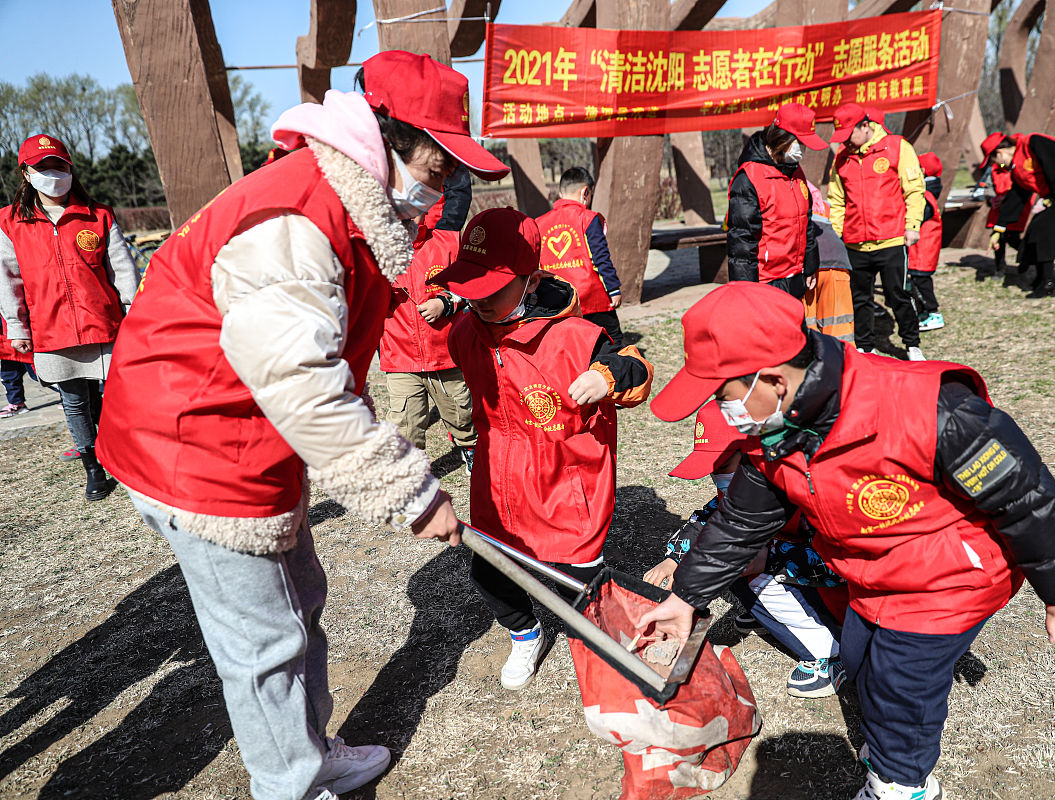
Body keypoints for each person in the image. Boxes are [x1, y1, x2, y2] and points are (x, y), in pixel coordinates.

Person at [95, 51, 506, 800]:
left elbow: (325, 367)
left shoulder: (347, 206)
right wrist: (410, 491)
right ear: (389, 137)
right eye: (437, 167)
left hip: (248, 435)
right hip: (195, 448)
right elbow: (302, 386)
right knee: (263, 640)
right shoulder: (294, 221)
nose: (441, 190)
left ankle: (310, 749)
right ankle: (289, 785)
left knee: (298, 598)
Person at [637, 281, 1055, 800]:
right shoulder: (772, 432)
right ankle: (888, 744)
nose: (724, 411)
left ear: (772, 380)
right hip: (870, 574)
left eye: (723, 395)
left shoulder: (932, 409)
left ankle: (901, 782)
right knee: (860, 664)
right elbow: (740, 524)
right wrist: (686, 598)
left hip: (949, 579)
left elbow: (1026, 496)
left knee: (899, 687)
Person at [435, 207, 653, 691]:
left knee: (574, 582)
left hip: (565, 485)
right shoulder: (465, 334)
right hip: (496, 482)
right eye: (469, 290)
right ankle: (524, 633)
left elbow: (636, 368)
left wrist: (607, 376)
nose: (480, 302)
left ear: (530, 281)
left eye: (491, 290)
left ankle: (594, 638)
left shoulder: (576, 337)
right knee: (492, 572)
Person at [643, 400, 848, 699]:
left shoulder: (806, 488)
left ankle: (829, 654)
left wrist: (770, 559)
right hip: (790, 566)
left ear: (753, 452)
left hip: (841, 598)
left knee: (741, 561)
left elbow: (843, 565)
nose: (716, 475)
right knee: (723, 551)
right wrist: (675, 557)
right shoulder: (745, 489)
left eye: (723, 464)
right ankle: (765, 610)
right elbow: (708, 520)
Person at [0, 134, 137, 500]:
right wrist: (16, 326)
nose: (54, 174)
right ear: (27, 175)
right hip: (51, 328)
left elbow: (123, 270)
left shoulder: (98, 214)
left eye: (60, 166)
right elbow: (8, 280)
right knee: (74, 400)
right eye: (43, 168)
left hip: (104, 322)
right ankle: (93, 466)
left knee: (116, 397)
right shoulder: (9, 222)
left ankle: (124, 457)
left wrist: (133, 310)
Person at [378, 170, 477, 471]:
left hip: (445, 356)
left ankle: (471, 449)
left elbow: (472, 289)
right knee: (405, 422)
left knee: (461, 412)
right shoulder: (379, 253)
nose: (406, 219)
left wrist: (446, 302)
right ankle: (410, 470)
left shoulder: (446, 243)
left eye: (412, 211)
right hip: (400, 360)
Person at [827, 103, 927, 360]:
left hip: (892, 239)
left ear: (865, 126)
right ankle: (864, 347)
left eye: (849, 136)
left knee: (898, 295)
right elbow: (837, 200)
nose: (846, 143)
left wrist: (912, 226)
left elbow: (914, 190)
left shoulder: (897, 147)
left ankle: (912, 344)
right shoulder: (841, 157)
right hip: (855, 243)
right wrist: (837, 236)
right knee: (860, 299)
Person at [983, 132, 1055, 305]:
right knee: (1033, 234)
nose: (999, 165)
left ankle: (1048, 283)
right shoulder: (1016, 168)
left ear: (1001, 152)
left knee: (1043, 233)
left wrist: (1054, 195)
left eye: (997, 160)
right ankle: (1041, 279)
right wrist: (1000, 227)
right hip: (1054, 196)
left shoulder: (1033, 142)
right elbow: (1017, 196)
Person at [726, 101, 824, 300]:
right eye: (801, 143)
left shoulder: (795, 171)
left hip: (795, 275)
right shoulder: (749, 177)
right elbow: (742, 242)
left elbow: (806, 220)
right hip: (766, 281)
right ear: (782, 138)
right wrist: (747, 290)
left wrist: (811, 263)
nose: (803, 151)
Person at [535, 167, 624, 345]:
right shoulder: (588, 218)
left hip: (557, 299)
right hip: (592, 298)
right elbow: (600, 257)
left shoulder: (538, 223)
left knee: (573, 346)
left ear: (561, 192)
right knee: (612, 343)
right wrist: (613, 288)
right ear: (586, 192)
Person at [803, 181, 855, 343]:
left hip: (808, 260)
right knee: (839, 325)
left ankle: (811, 361)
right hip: (837, 258)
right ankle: (846, 361)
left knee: (807, 323)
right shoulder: (814, 193)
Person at [979, 132, 1032, 280]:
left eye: (994, 158)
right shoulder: (996, 168)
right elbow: (988, 186)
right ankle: (999, 267)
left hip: (1015, 208)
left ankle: (1025, 261)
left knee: (1013, 238)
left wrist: (1007, 198)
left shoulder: (1014, 166)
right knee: (998, 240)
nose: (994, 163)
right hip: (998, 210)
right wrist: (992, 199)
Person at [909, 152, 945, 332]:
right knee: (918, 281)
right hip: (923, 248)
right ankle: (925, 311)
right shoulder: (931, 191)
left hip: (923, 249)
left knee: (922, 281)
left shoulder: (924, 196)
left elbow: (917, 217)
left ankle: (934, 313)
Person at [1, 316, 36, 418]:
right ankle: (17, 403)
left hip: (18, 334)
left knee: (37, 374)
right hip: (5, 343)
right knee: (8, 374)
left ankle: (69, 396)